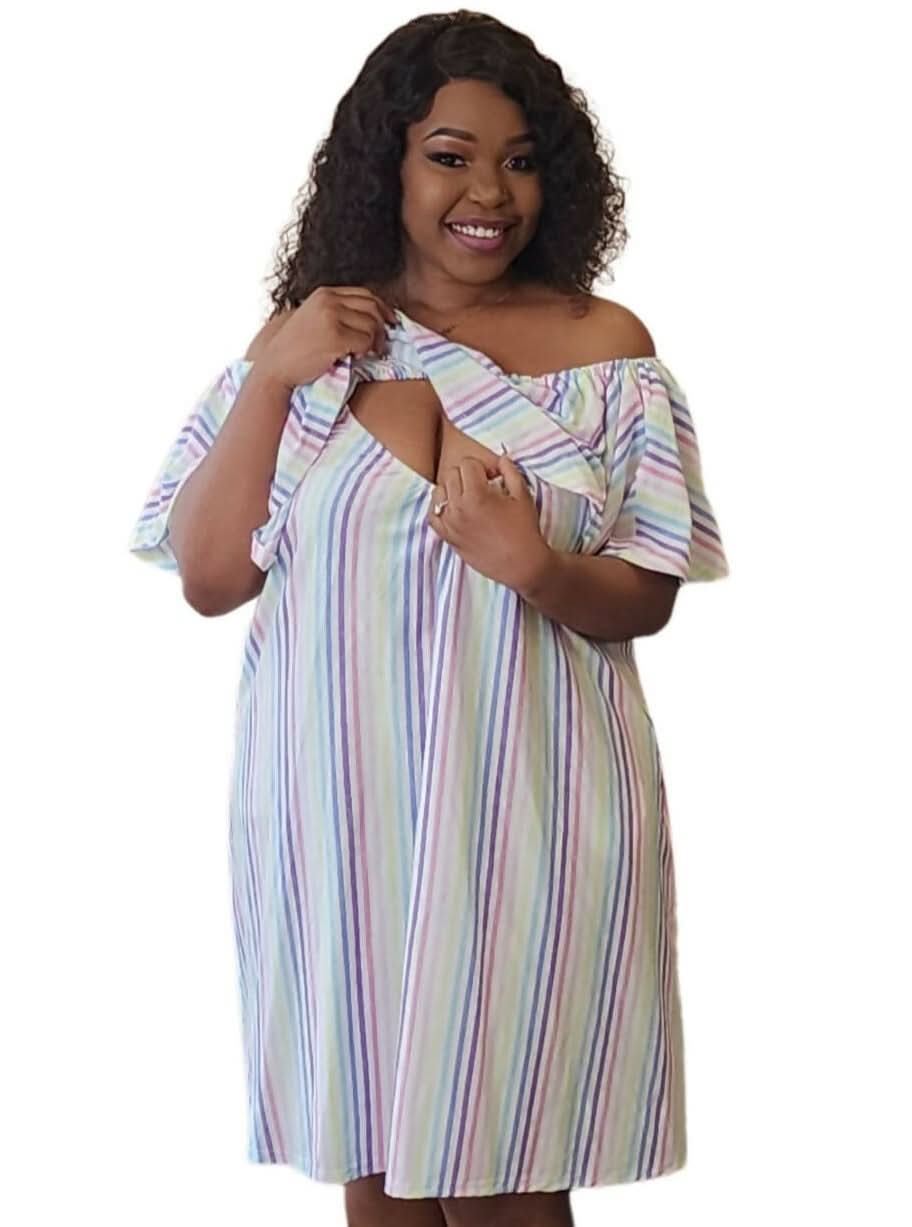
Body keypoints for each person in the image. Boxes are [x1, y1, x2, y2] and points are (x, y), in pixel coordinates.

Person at [127, 10, 729, 1227]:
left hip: (532, 808)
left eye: (520, 160)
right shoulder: (313, 346)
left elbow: (648, 593)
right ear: (387, 165)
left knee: (506, 1177)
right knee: (380, 1168)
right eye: (451, 156)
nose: (489, 193)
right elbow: (211, 576)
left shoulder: (605, 352)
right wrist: (274, 374)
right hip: (339, 812)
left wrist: (534, 566)